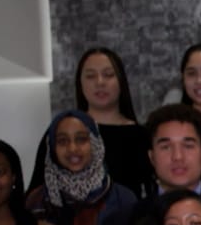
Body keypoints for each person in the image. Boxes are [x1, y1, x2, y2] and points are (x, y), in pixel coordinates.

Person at [29, 48, 152, 197]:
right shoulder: (60, 132)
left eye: (108, 75)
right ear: (80, 83)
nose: (100, 82)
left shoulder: (141, 136)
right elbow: (36, 194)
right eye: (90, 76)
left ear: (121, 80)